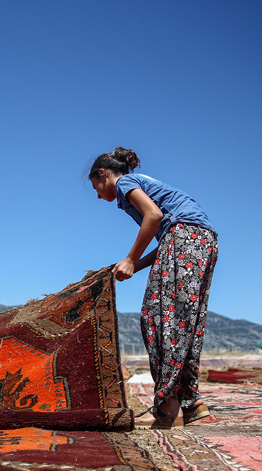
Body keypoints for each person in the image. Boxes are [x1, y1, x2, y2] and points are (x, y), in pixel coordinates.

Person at [88, 147, 218, 428]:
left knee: (158, 319)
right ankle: (193, 403)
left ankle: (167, 406)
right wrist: (132, 265)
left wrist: (131, 258)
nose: (98, 194)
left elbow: (154, 215)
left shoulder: (123, 183)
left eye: (95, 187)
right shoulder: (144, 184)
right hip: (200, 241)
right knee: (184, 324)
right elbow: (164, 237)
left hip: (183, 238)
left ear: (103, 174)